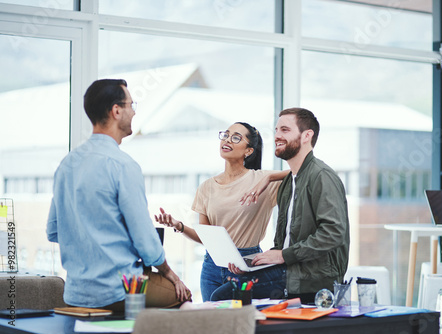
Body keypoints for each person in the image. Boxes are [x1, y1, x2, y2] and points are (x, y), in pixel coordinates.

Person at [46, 79, 191, 312]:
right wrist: (171, 274)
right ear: (116, 111)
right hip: (119, 291)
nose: (134, 112)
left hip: (75, 294)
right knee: (182, 296)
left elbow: (53, 232)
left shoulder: (66, 164)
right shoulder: (123, 165)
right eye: (131, 105)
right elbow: (146, 242)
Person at [221, 107, 350, 304]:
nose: (277, 136)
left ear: (307, 136)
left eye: (285, 130)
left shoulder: (322, 177)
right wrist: (260, 262)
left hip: (311, 279)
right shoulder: (289, 182)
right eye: (276, 130)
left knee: (223, 296)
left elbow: (333, 233)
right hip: (290, 270)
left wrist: (283, 255)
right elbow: (285, 243)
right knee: (227, 289)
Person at [155, 122, 288, 302]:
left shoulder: (262, 181)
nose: (227, 140)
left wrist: (270, 176)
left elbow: (302, 171)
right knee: (212, 324)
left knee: (238, 323)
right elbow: (205, 237)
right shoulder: (207, 187)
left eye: (236, 137)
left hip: (246, 263)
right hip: (212, 266)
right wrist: (178, 226)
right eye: (225, 135)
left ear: (249, 151)